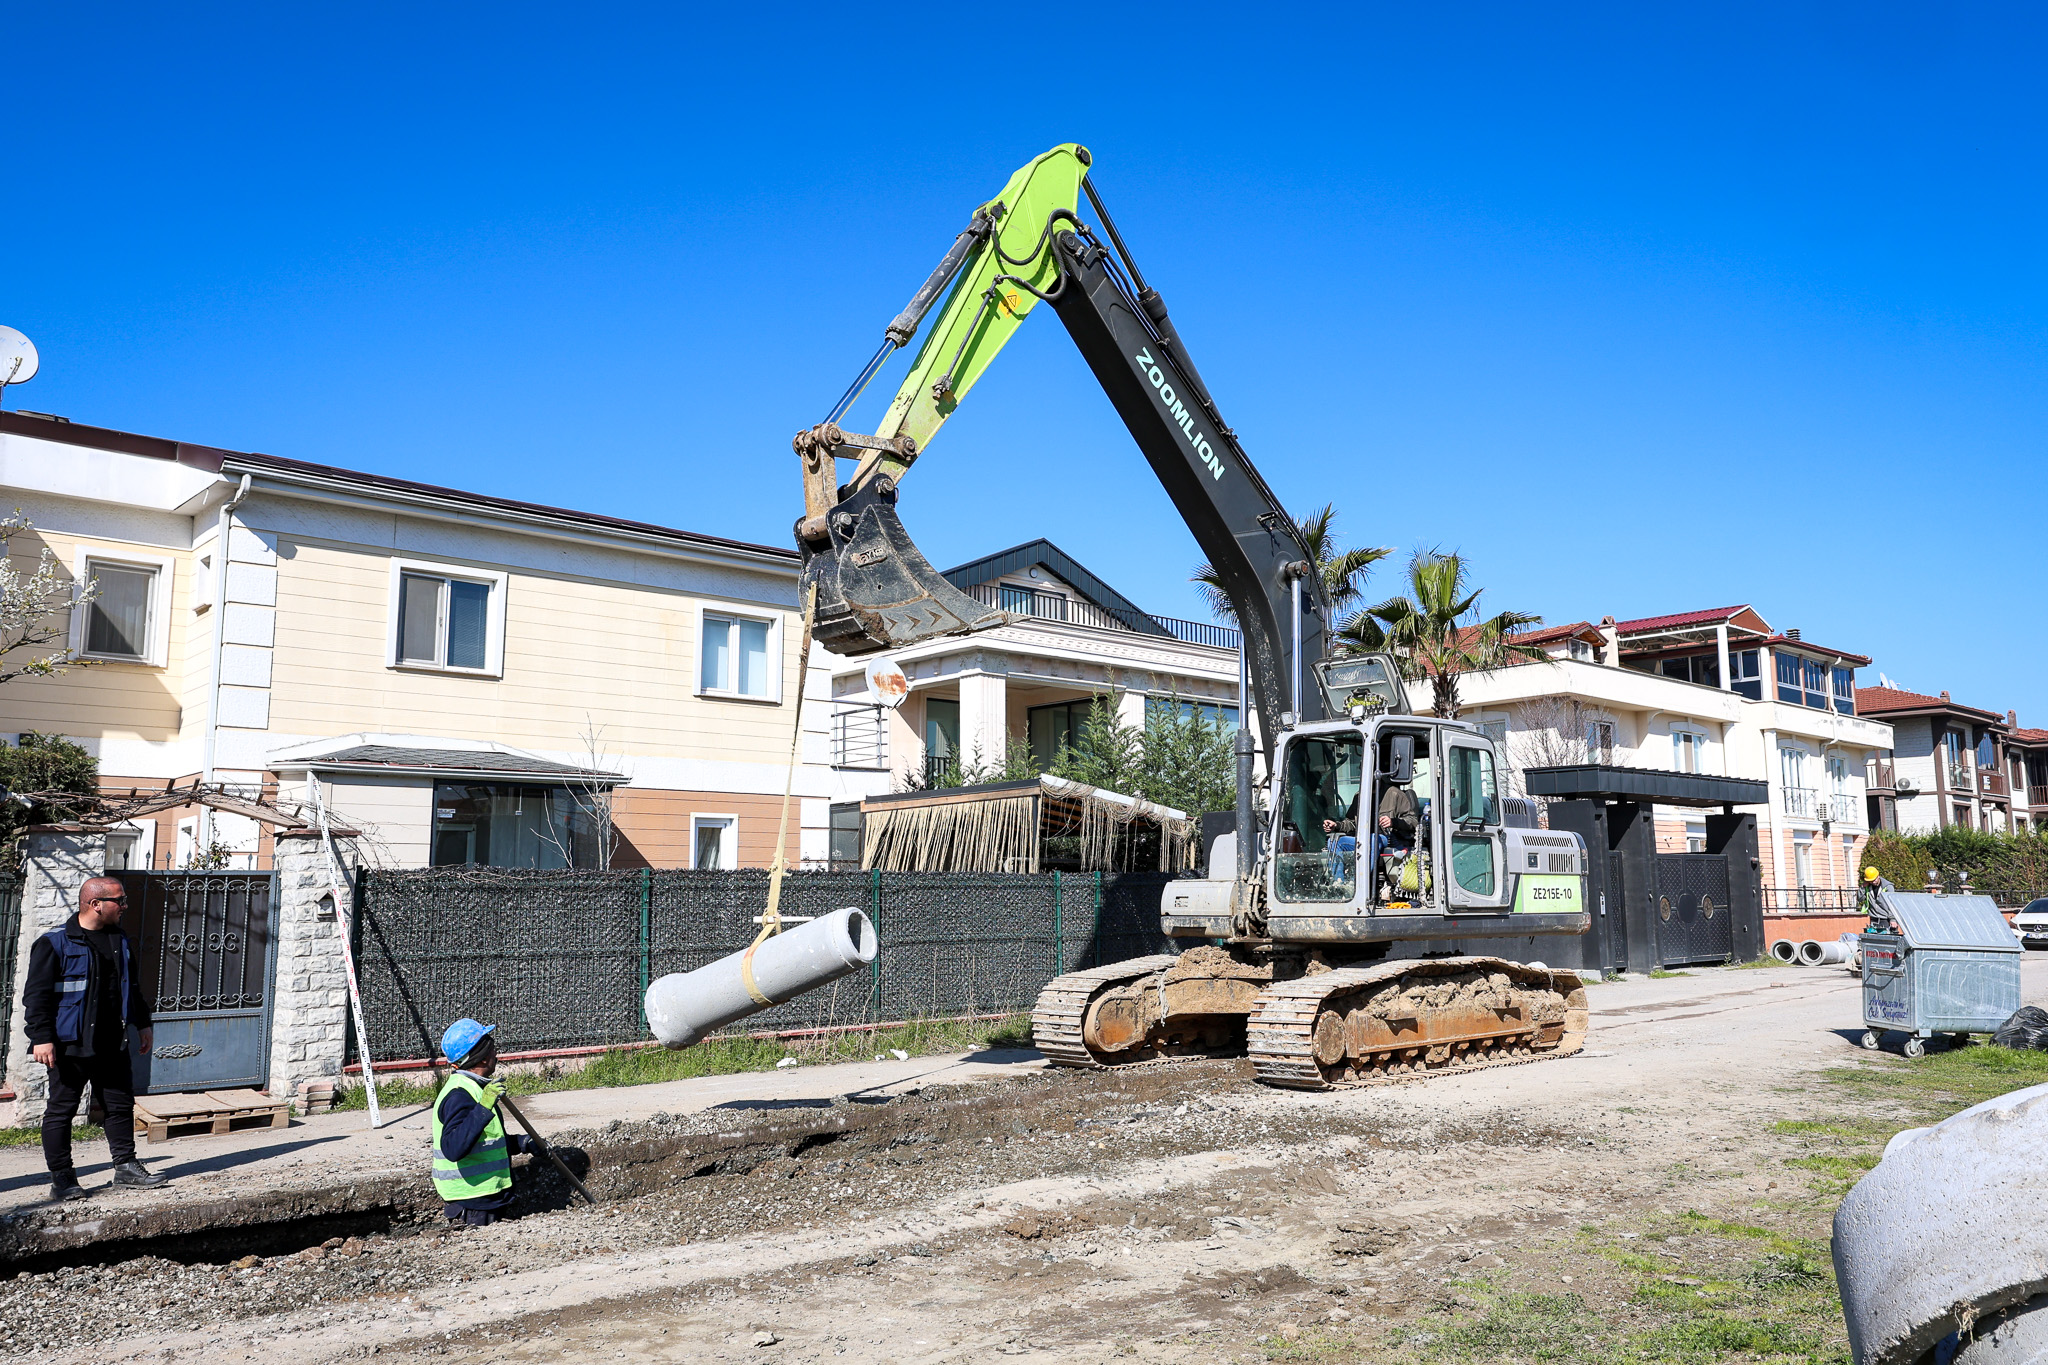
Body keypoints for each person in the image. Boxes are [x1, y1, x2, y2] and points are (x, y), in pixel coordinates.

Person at [22, 876, 166, 1201]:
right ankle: (63, 1179)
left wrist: (143, 1024)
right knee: (62, 1110)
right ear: (95, 904)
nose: (125, 906)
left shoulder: (119, 940)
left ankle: (126, 1167)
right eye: (120, 900)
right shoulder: (55, 942)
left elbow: (133, 989)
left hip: (112, 1042)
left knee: (119, 1106)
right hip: (69, 1044)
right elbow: (37, 997)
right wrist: (42, 1038)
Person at [432, 1019, 537, 1227]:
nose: (496, 1056)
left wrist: (523, 1143)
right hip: (473, 1204)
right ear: (480, 1059)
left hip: (486, 1198)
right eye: (492, 1050)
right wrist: (483, 1108)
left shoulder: (476, 1089)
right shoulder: (459, 1094)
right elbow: (454, 1148)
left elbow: (484, 1142)